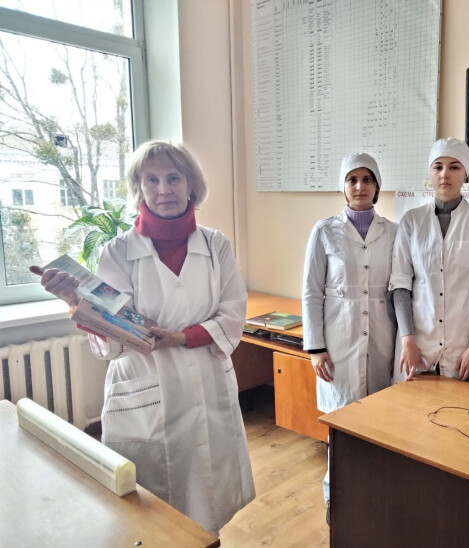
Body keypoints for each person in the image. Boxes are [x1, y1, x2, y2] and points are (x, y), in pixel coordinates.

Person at [32, 141, 255, 533]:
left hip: (205, 379)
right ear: (138, 188)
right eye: (151, 180)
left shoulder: (216, 245)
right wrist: (75, 302)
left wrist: (182, 337)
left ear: (191, 185)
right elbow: (115, 335)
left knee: (207, 497)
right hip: (144, 381)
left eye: (174, 178)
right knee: (149, 511)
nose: (163, 189)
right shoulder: (117, 252)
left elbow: (233, 312)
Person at [302, 152, 398, 521]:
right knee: (341, 428)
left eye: (367, 179)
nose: (360, 186)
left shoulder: (394, 231)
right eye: (352, 180)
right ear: (343, 187)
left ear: (377, 186)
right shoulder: (324, 231)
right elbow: (311, 292)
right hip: (337, 343)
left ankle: (376, 496)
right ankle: (336, 498)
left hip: (382, 339)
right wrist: (316, 348)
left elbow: (401, 289)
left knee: (379, 423)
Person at [389, 137, 469, 383]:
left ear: (466, 173)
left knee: (459, 406)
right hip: (417, 344)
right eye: (438, 167)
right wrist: (407, 338)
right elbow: (400, 284)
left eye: (454, 167)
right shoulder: (412, 221)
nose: (444, 174)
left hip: (463, 348)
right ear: (430, 172)